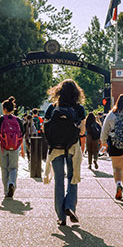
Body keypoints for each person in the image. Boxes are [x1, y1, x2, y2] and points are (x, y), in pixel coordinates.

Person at [43, 79, 86, 226]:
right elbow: (82, 131)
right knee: (73, 179)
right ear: (76, 93)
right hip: (73, 147)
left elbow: (45, 127)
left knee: (59, 181)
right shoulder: (79, 109)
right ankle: (70, 206)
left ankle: (61, 217)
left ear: (59, 92)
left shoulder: (52, 107)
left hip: (56, 149)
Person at [0, 96, 26, 198]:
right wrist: (22, 150)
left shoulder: (0, 119)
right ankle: (12, 183)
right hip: (15, 148)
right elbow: (21, 136)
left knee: (4, 169)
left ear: (5, 109)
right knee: (13, 168)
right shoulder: (18, 120)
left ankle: (6, 191)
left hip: (3, 147)